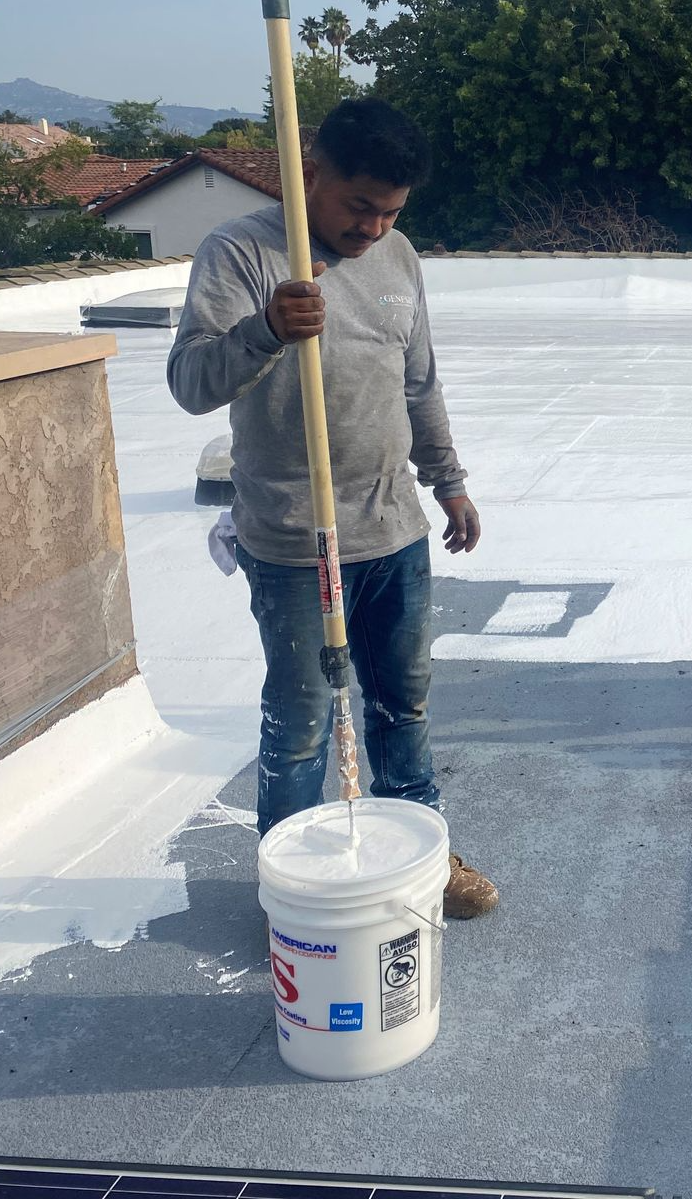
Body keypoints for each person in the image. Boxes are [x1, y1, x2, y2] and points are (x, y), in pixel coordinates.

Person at [168, 98, 498, 919]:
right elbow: (190, 384)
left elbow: (417, 380)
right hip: (292, 542)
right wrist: (266, 328)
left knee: (403, 705)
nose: (373, 229)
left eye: (391, 212)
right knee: (303, 721)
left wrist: (447, 479)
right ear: (311, 171)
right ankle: (295, 890)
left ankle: (423, 857)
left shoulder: (400, 258)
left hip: (394, 533)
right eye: (360, 206)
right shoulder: (244, 252)